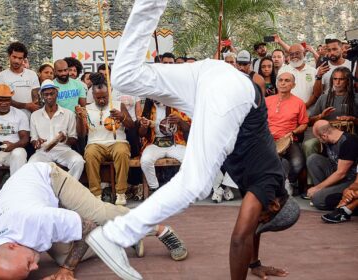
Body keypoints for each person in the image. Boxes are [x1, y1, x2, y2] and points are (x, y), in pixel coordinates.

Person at [85, 1, 300, 280]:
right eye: (264, 218)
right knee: (195, 183)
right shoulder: (268, 185)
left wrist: (255, 264)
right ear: (273, 206)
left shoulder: (267, 187)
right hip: (232, 96)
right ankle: (115, 235)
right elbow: (239, 238)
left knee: (126, 78)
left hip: (212, 75)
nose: (255, 219)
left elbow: (251, 232)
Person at [0, 162, 187, 279]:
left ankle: (159, 230)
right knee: (61, 255)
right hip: (28, 200)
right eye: (30, 270)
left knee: (98, 214)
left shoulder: (37, 219)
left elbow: (88, 225)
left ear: (13, 245)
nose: (36, 266)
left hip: (47, 178)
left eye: (28, 264)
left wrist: (68, 269)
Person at [76, 73, 135, 205]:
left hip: (117, 142)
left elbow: (131, 126)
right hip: (95, 144)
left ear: (109, 93)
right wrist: (80, 119)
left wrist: (122, 117)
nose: (102, 100)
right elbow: (81, 134)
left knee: (122, 152)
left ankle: (120, 193)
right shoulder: (87, 108)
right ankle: (96, 194)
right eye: (98, 98)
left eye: (104, 97)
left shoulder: (118, 105)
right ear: (92, 94)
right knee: (90, 154)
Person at [29, 80, 85, 180]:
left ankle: (67, 187)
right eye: (46, 94)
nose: (49, 97)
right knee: (31, 165)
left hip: (63, 151)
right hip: (43, 152)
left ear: (57, 93)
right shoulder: (35, 115)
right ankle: (43, 192)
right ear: (42, 96)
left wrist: (64, 139)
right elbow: (33, 139)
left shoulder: (68, 114)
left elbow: (74, 139)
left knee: (78, 161)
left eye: (52, 93)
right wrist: (37, 143)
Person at [266, 72, 309, 195]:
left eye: (287, 80)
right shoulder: (267, 101)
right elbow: (259, 121)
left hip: (288, 139)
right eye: (280, 80)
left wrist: (293, 132)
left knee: (298, 163)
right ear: (277, 83)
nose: (283, 83)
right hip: (268, 139)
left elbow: (304, 124)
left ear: (293, 85)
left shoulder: (299, 103)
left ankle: (288, 182)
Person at [307, 120, 358, 210]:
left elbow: (341, 173)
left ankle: (346, 202)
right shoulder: (329, 141)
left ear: (324, 136)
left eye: (319, 138)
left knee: (318, 200)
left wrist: (317, 188)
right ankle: (322, 192)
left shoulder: (349, 142)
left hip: (350, 180)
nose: (319, 140)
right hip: (336, 174)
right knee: (313, 159)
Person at [0, 42, 41, 118]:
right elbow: (2, 98)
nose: (16, 61)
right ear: (9, 56)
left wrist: (34, 106)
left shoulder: (32, 74)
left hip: (30, 118)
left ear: (24, 59)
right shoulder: (2, 76)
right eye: (14, 57)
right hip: (10, 118)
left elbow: (36, 97)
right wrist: (26, 105)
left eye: (20, 58)